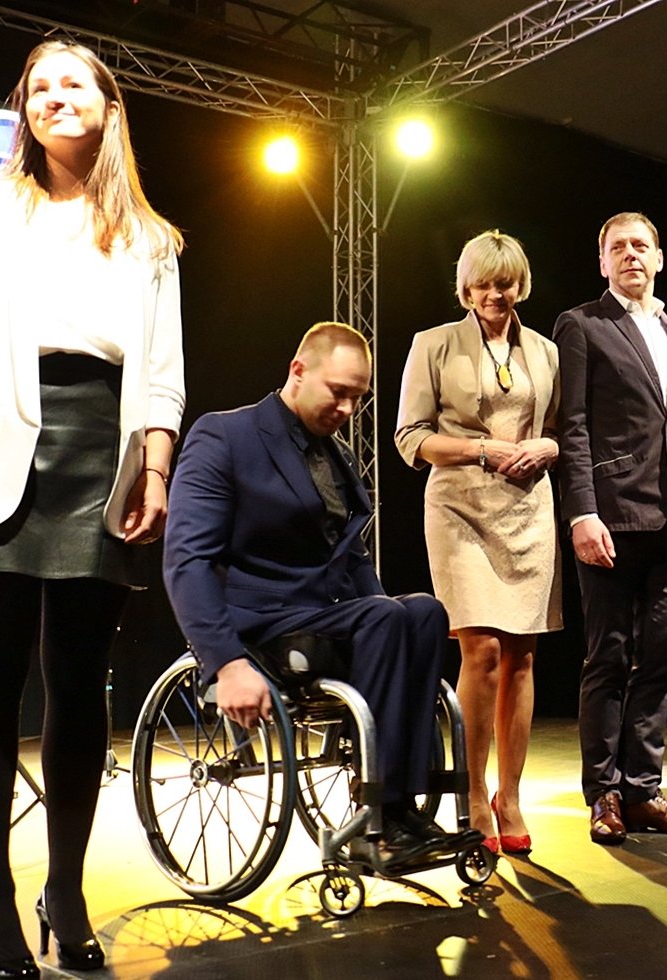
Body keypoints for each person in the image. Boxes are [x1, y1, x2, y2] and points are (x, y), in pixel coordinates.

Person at [0, 41, 183, 978]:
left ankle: (64, 890)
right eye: (38, 87)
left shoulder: (150, 236)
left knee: (79, 681)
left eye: (73, 83)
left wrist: (155, 467)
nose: (52, 98)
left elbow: (162, 370)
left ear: (110, 106)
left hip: (103, 451)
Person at [165, 323, 476, 874]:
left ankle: (405, 807)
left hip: (321, 615)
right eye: (338, 392)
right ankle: (380, 817)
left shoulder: (336, 456)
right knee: (387, 617)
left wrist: (397, 625)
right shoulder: (225, 436)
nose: (348, 408)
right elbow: (188, 559)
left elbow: (349, 557)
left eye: (358, 397)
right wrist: (225, 662)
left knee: (424, 612)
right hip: (260, 624)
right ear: (298, 371)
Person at [554, 211, 667, 845]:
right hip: (612, 516)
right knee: (609, 655)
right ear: (603, 262)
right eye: (618, 247)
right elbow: (572, 425)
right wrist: (582, 512)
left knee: (663, 656)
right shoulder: (582, 325)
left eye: (641, 245)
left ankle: (643, 791)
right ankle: (603, 793)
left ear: (659, 258)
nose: (631, 254)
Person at [395, 230, 561, 855]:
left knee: (522, 656)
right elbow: (411, 437)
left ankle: (509, 795)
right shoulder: (433, 344)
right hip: (460, 507)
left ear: (521, 285)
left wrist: (547, 446)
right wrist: (482, 449)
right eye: (483, 284)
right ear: (465, 288)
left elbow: (563, 430)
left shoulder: (545, 351)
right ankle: (471, 792)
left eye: (505, 283)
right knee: (482, 651)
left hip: (529, 509)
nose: (495, 294)